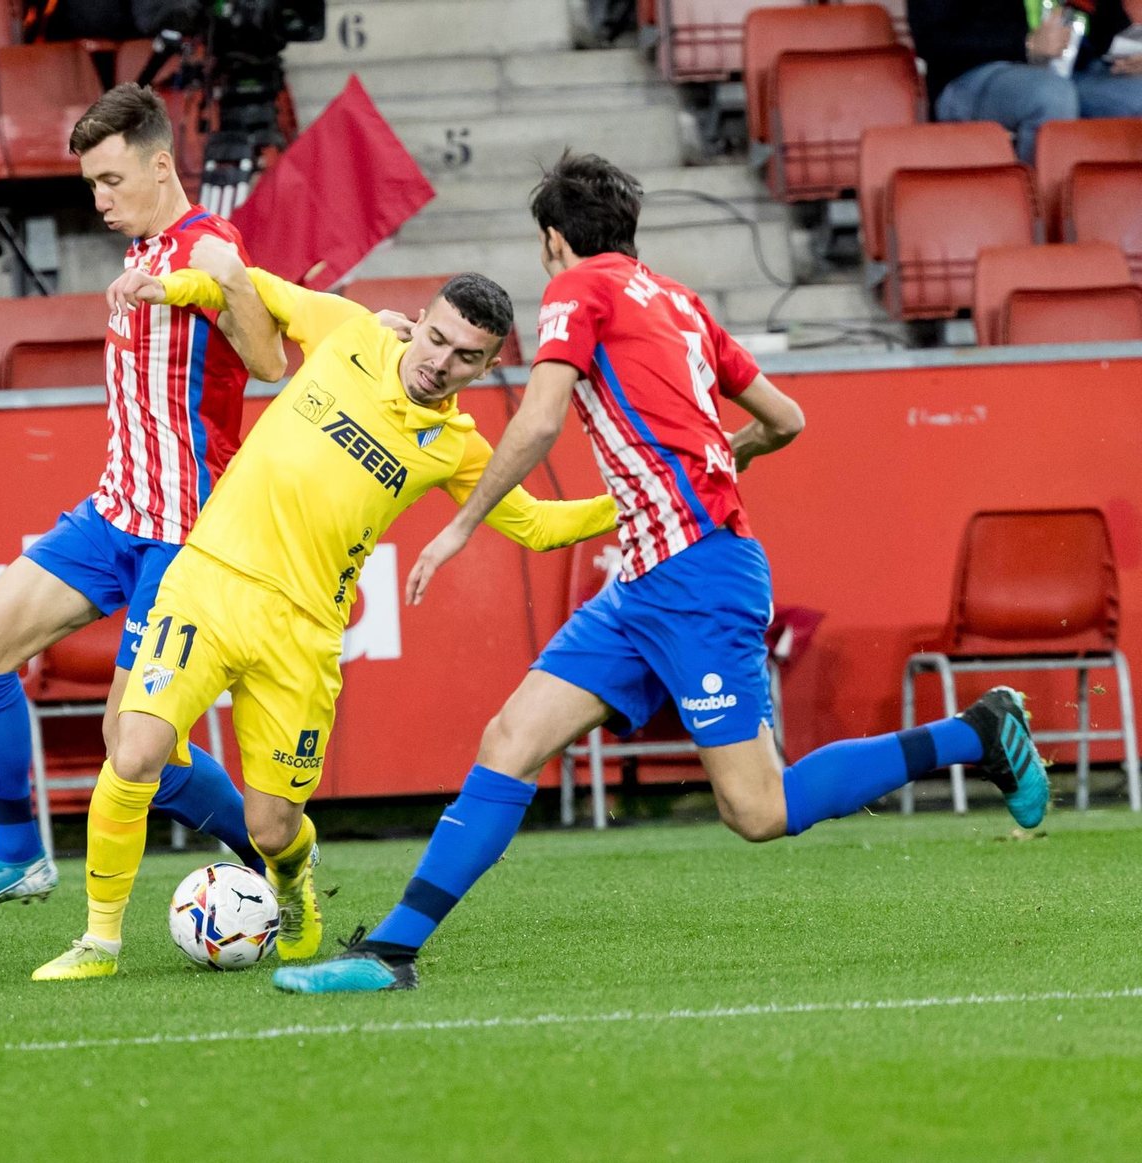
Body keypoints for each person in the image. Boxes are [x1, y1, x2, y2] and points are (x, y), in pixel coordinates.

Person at [269, 152, 1050, 994]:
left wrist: (460, 527)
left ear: (552, 241)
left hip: (698, 576)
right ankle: (392, 951)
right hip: (647, 580)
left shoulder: (578, 288)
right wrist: (723, 454)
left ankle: (977, 731)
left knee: (758, 810)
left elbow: (536, 423)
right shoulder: (679, 301)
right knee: (511, 739)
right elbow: (785, 419)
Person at [28, 245, 621, 980]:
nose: (440, 361)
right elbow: (255, 285)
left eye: (466, 356)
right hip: (208, 583)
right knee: (136, 750)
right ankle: (99, 943)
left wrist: (632, 497)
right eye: (436, 337)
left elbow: (532, 523)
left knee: (271, 826)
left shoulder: (455, 448)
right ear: (421, 322)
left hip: (302, 636)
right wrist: (168, 284)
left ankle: (291, 880)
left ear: (486, 365)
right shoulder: (351, 330)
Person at [0, 84, 288, 926]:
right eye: (92, 184)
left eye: (113, 180)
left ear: (162, 166)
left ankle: (264, 850)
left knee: (134, 747)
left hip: (181, 535)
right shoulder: (144, 247)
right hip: (113, 512)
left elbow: (269, 362)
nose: (101, 200)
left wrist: (217, 284)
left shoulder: (208, 247)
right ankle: (16, 855)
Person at [911, 0, 1142, 164]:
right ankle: (1042, 215)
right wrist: (1026, 44)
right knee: (1051, 95)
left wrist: (1131, 49)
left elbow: (1111, 25)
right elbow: (931, 39)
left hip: (1073, 74)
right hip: (974, 75)